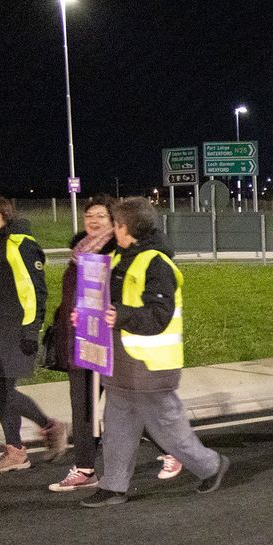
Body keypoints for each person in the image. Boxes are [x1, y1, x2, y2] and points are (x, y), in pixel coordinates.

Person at [80, 197, 229, 507]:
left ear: (128, 228)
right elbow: (111, 305)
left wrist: (119, 316)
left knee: (168, 429)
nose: (113, 229)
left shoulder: (156, 263)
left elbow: (158, 314)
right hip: (122, 361)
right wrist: (87, 317)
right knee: (117, 425)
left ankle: (211, 466)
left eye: (117, 224)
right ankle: (113, 485)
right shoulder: (122, 259)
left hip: (151, 365)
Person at [48, 196, 183, 492]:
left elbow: (123, 298)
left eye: (101, 216)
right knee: (82, 407)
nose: (93, 221)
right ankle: (85, 469)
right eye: (89, 216)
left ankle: (173, 450)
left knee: (132, 406)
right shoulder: (79, 252)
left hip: (112, 342)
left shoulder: (120, 252)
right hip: (81, 338)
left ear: (115, 223)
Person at [0, 195, 66, 473]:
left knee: (6, 393)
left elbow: (36, 291)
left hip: (14, 331)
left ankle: (47, 428)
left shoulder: (21, 246)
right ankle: (16, 450)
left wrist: (32, 331)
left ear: (5, 218)